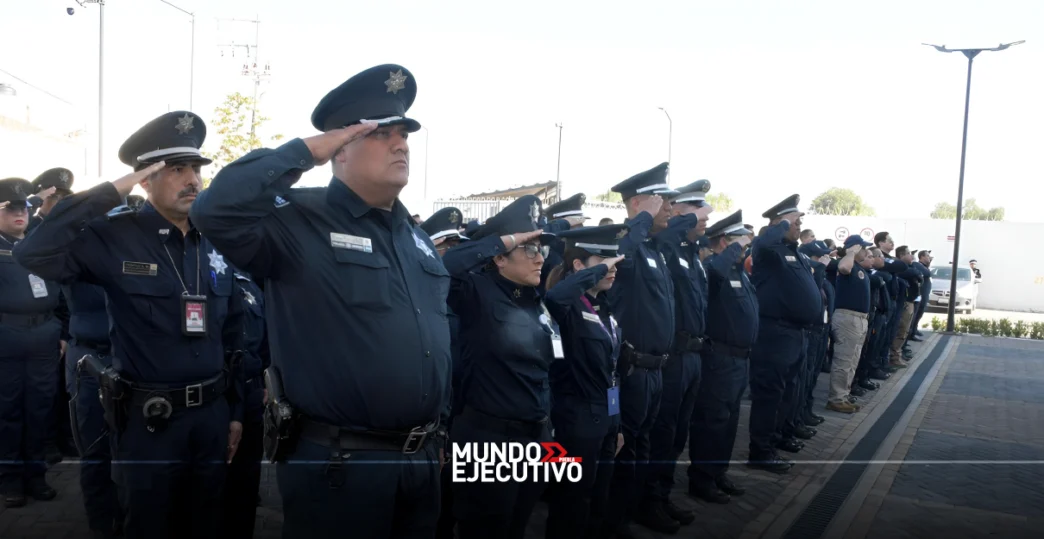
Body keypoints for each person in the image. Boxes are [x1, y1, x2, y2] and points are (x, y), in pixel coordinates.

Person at [191, 64, 451, 538]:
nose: (401, 144)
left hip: (418, 462)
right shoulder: (297, 220)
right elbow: (213, 210)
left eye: (405, 135)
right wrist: (305, 152)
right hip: (340, 463)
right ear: (341, 148)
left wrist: (437, 433)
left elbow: (434, 338)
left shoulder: (417, 239)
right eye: (381, 133)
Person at [14, 111, 246, 539]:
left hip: (212, 416)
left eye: (195, 168)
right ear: (146, 178)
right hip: (150, 420)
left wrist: (233, 412)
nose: (191, 179)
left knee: (208, 521)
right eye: (175, 169)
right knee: (147, 521)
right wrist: (110, 190)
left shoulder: (212, 239)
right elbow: (34, 252)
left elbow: (231, 332)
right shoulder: (115, 235)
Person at [440, 195, 555, 538]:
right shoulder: (477, 291)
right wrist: (502, 240)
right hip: (489, 440)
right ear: (501, 259)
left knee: (517, 526)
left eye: (543, 251)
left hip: (535, 438)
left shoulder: (535, 300)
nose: (540, 260)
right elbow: (442, 265)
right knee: (485, 529)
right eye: (530, 250)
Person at [602, 163, 678, 537]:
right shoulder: (625, 242)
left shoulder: (654, 249)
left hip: (654, 370)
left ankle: (629, 515)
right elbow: (620, 253)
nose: (668, 207)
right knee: (623, 452)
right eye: (659, 199)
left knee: (641, 451)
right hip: (629, 373)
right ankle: (612, 524)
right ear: (636, 203)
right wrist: (641, 221)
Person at [542, 224, 627, 539]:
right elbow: (555, 297)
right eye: (603, 261)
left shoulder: (603, 307)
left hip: (604, 419)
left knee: (597, 499)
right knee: (571, 503)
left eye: (615, 261)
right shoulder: (567, 307)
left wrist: (615, 422)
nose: (612, 268)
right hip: (575, 419)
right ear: (578, 266)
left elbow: (612, 368)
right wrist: (594, 273)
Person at [642, 179, 714, 527]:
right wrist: (682, 220)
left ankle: (663, 494)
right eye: (695, 212)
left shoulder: (691, 256)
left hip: (693, 356)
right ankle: (648, 501)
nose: (704, 219)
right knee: (663, 432)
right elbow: (667, 236)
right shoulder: (667, 247)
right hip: (673, 355)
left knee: (677, 435)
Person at [0, 178, 63, 509]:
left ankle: (36, 476)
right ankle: (10, 480)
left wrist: (61, 331)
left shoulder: (37, 244)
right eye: (11, 208)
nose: (19, 213)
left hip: (43, 335)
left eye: (23, 207)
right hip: (6, 336)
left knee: (40, 408)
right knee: (8, 410)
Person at [747, 195, 821, 474]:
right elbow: (762, 242)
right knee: (770, 395)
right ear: (779, 222)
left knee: (789, 392)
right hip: (774, 333)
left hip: (795, 333)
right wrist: (780, 225)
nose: (799, 225)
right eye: (794, 221)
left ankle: (778, 438)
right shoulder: (768, 248)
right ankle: (760, 450)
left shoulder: (792, 251)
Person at [687, 210, 756, 504]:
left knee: (729, 422)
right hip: (719, 359)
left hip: (739, 360)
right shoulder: (714, 267)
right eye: (740, 243)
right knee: (712, 421)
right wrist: (735, 248)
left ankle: (718, 472)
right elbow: (713, 274)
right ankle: (702, 478)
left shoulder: (738, 271)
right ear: (724, 241)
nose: (745, 249)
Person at [420, 206, 467, 539]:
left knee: (453, 504)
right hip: (434, 421)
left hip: (467, 417)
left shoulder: (467, 293)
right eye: (444, 248)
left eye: (457, 248)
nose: (452, 256)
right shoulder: (420, 295)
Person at [63, 278, 122, 537]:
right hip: (89, 362)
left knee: (132, 447)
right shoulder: (77, 248)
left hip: (132, 357)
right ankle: (101, 524)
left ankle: (126, 514)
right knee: (96, 447)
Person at [222, 270, 268, 539]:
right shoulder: (204, 269)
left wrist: (267, 380)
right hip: (218, 394)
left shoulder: (251, 283)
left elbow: (266, 343)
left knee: (246, 483)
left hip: (251, 394)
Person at [826, 236, 874, 414]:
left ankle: (843, 395)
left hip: (859, 318)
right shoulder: (847, 263)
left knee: (852, 360)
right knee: (844, 360)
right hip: (848, 317)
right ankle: (836, 399)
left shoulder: (859, 266)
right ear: (855, 248)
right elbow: (843, 267)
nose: (866, 252)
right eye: (863, 248)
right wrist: (851, 252)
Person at [540, 193, 587, 292]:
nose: (581, 229)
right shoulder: (551, 254)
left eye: (581, 224)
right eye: (575, 225)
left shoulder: (576, 250)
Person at [908, 250, 933, 341]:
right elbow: (927, 273)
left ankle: (914, 329)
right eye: (927, 256)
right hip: (919, 295)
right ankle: (911, 333)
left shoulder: (924, 266)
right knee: (915, 314)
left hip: (923, 295)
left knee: (919, 314)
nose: (929, 257)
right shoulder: (918, 265)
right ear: (921, 257)